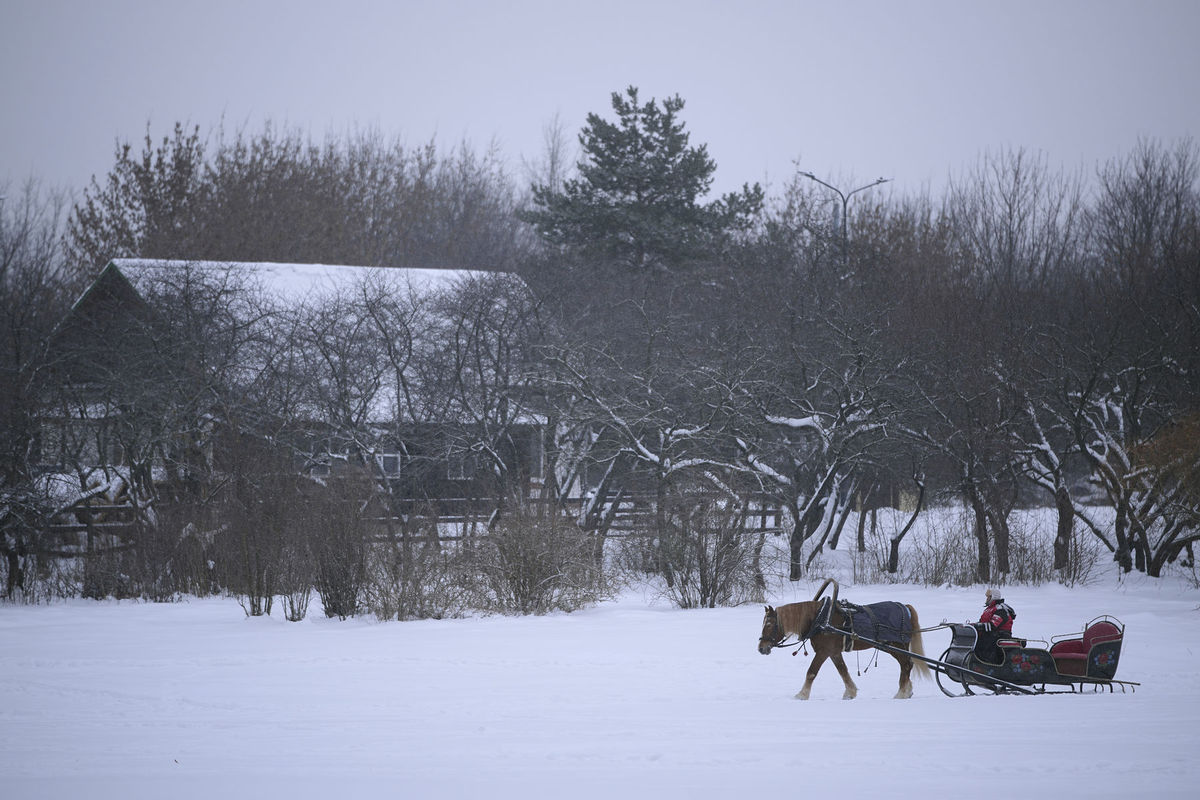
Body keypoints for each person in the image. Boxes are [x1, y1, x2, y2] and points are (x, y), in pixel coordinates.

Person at [972, 588, 1016, 662]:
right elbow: (982, 622)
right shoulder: (988, 609)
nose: (987, 599)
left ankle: (986, 662)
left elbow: (993, 625)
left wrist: (978, 626)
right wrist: (973, 625)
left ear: (993, 597)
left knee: (986, 641)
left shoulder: (1001, 609)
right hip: (990, 634)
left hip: (1000, 635)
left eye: (988, 597)